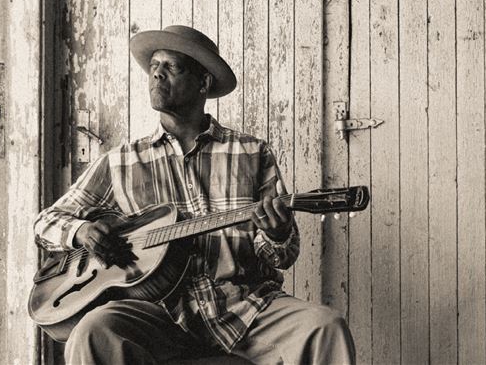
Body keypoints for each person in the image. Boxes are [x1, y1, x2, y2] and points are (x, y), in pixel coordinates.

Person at [33, 25, 356, 364]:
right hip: (159, 316)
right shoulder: (122, 161)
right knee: (93, 330)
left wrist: (276, 233)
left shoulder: (251, 152)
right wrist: (81, 231)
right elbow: (46, 222)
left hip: (246, 310)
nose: (157, 73)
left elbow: (283, 255)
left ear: (203, 82)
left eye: (171, 66)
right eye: (154, 65)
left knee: (325, 325)